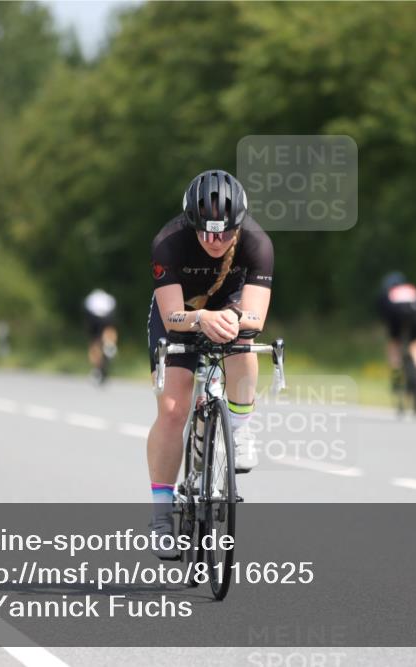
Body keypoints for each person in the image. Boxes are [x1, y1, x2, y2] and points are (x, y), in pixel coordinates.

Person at [146, 169, 273, 558]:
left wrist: (235, 321)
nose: (214, 241)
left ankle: (239, 426)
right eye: (205, 232)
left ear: (239, 226)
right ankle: (161, 516)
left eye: (224, 233)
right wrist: (200, 319)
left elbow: (257, 317)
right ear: (191, 223)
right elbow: (170, 317)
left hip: (232, 312)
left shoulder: (257, 243)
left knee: (244, 345)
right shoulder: (168, 242)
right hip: (181, 318)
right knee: (172, 409)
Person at [378, 272, 416, 405]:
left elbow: (384, 315)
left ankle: (396, 375)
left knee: (394, 344)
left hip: (395, 314)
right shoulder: (411, 289)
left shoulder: (388, 292)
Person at [82, 288, 118, 383]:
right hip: (107, 315)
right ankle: (109, 344)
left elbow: (86, 313)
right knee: (109, 329)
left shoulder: (90, 298)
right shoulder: (109, 298)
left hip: (93, 317)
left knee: (94, 342)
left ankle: (97, 368)